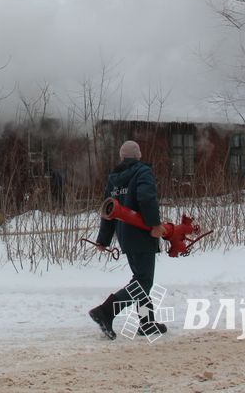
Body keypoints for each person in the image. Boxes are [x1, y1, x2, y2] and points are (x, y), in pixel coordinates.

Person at [88, 140, 167, 340]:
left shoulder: (114, 180)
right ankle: (106, 311)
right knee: (143, 281)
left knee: (140, 278)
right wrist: (155, 224)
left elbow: (107, 211)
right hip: (142, 233)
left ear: (122, 157)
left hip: (124, 235)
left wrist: (103, 239)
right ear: (138, 156)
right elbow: (146, 198)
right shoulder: (142, 172)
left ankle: (147, 323)